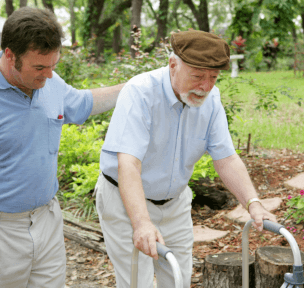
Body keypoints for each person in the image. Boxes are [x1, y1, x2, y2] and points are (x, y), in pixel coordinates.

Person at [95, 30, 277, 288]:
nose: (205, 86)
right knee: (137, 283)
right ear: (173, 65)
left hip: (175, 203)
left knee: (178, 280)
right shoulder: (140, 92)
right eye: (197, 76)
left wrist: (254, 203)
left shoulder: (211, 100)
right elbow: (129, 164)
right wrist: (142, 223)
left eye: (213, 77)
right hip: (126, 203)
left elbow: (226, 158)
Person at [0, 7, 125, 288]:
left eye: (53, 65)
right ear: (10, 55)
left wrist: (132, 87)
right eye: (39, 68)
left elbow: (81, 103)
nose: (48, 75)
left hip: (48, 219)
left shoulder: (50, 82)